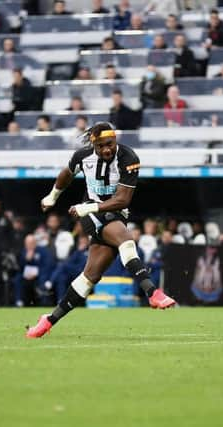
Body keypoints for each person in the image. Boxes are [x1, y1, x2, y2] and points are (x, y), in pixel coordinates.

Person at [26, 123, 176, 338]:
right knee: (126, 240)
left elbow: (123, 199)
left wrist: (89, 207)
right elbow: (66, 174)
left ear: (115, 140)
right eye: (101, 146)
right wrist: (53, 196)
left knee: (90, 277)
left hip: (110, 211)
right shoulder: (82, 156)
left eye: (110, 144)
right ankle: (153, 292)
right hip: (92, 215)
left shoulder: (128, 157)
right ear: (93, 145)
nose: (106, 149)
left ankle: (48, 320)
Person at [13, 234, 55, 307]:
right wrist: (27, 259)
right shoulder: (23, 251)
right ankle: (19, 301)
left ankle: (44, 302)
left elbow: (47, 266)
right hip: (26, 276)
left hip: (40, 274)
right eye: (27, 243)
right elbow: (20, 267)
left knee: (43, 279)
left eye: (31, 243)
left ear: (35, 243)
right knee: (17, 279)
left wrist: (36, 273)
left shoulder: (43, 251)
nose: (29, 245)